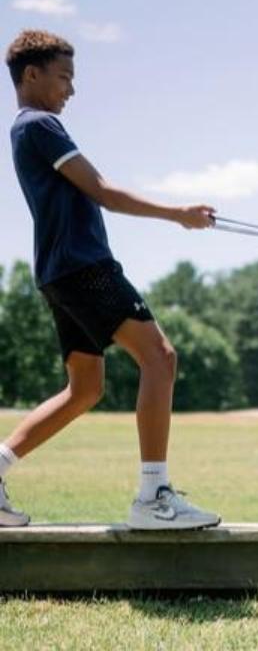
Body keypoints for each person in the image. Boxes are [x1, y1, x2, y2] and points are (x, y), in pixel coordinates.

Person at [1, 29, 220, 529]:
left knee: (85, 389)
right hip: (85, 267)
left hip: (59, 273)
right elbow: (103, 191)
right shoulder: (40, 125)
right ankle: (153, 497)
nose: (71, 90)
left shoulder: (29, 129)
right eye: (64, 78)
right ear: (31, 75)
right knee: (160, 358)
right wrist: (178, 213)